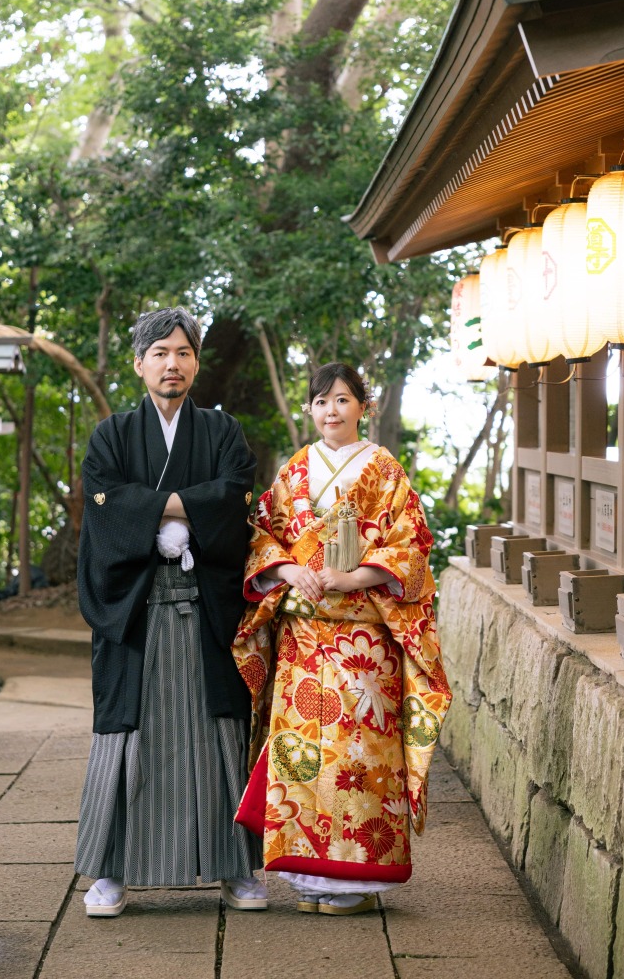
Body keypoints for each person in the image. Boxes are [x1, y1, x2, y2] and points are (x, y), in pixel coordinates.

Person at [231, 362, 451, 914]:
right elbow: (262, 535)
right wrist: (288, 569)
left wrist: (354, 578)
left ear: (363, 407)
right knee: (301, 755)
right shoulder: (294, 470)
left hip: (364, 640)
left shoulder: (385, 469)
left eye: (343, 399)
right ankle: (308, 878)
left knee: (359, 755)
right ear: (310, 409)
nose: (332, 410)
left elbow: (411, 543)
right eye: (322, 401)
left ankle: (355, 879)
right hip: (303, 637)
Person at [75, 306, 266, 917]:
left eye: (183, 352)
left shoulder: (221, 432)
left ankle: (235, 868)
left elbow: (234, 495)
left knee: (218, 735)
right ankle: (112, 871)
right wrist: (186, 505)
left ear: (197, 364)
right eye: (159, 353)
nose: (171, 364)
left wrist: (155, 504)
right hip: (136, 612)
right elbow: (106, 504)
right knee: (127, 738)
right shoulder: (111, 435)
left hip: (206, 610)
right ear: (139, 364)